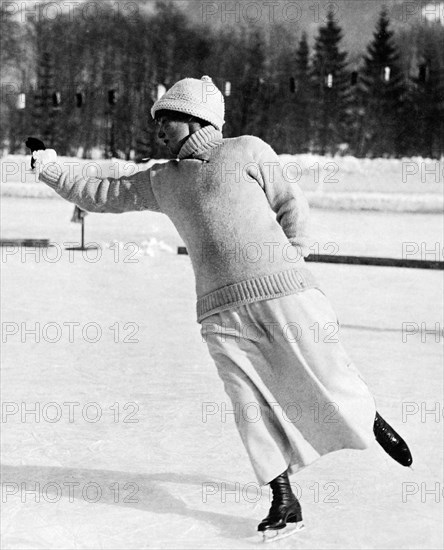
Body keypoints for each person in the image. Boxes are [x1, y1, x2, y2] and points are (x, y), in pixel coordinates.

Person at [32, 75, 412, 541]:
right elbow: (102, 191)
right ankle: (283, 498)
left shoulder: (247, 150)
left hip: (282, 291)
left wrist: (293, 252)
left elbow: (290, 202)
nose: (159, 130)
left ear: (195, 119)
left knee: (326, 371)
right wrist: (49, 168)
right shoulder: (163, 179)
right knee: (247, 405)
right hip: (218, 310)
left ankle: (368, 416)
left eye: (165, 120)